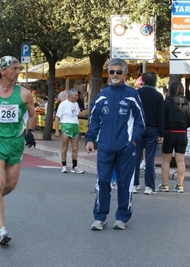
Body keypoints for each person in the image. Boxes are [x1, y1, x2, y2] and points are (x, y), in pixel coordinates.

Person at [0, 56, 37, 244]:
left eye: (19, 68)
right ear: (3, 71)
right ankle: (1, 230)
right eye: (15, 68)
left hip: (15, 143)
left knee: (10, 185)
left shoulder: (24, 94)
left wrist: (31, 132)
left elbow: (33, 114)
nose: (18, 71)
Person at [85, 58, 145, 231]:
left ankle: (122, 217)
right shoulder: (102, 95)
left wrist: (133, 142)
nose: (115, 75)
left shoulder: (133, 95)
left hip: (125, 149)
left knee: (125, 183)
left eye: (119, 72)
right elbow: (94, 119)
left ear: (125, 74)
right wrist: (90, 139)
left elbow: (141, 122)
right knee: (102, 181)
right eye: (112, 72)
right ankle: (100, 217)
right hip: (104, 147)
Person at [157, 81, 190, 193]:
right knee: (180, 160)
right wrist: (184, 125)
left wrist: (161, 133)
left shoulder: (166, 103)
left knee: (166, 160)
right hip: (182, 134)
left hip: (169, 133)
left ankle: (165, 185)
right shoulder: (188, 103)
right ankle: (180, 185)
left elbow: (161, 119)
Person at [134, 71, 165, 195]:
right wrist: (161, 133)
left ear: (144, 81)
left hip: (138, 127)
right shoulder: (158, 96)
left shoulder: (137, 93)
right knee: (150, 158)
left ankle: (134, 184)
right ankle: (149, 186)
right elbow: (161, 116)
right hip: (152, 128)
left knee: (136, 156)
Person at [54, 88, 85, 174]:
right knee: (65, 147)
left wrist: (83, 113)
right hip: (66, 125)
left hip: (75, 125)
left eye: (77, 95)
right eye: (75, 95)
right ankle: (64, 166)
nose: (77, 97)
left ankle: (74, 166)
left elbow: (77, 114)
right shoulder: (63, 104)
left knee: (75, 147)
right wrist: (57, 130)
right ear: (70, 95)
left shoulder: (76, 104)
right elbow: (57, 117)